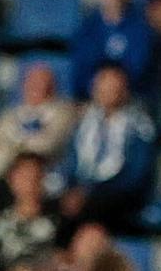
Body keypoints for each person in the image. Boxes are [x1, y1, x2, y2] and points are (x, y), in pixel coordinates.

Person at [62, 62, 155, 227]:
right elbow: (71, 162)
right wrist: (72, 188)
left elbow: (136, 174)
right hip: (82, 190)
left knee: (90, 208)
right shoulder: (83, 122)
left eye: (115, 86)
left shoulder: (140, 125)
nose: (109, 91)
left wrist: (89, 192)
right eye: (104, 84)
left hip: (119, 193)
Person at [68, 0, 155, 100]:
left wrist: (115, 86)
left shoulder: (142, 28)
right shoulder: (86, 29)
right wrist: (101, 88)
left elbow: (140, 68)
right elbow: (81, 70)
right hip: (93, 101)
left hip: (130, 101)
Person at [0, 62, 77, 181]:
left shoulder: (64, 114)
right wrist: (19, 150)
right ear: (24, 85)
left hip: (49, 180)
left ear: (53, 86)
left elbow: (45, 146)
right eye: (33, 82)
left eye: (43, 82)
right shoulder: (8, 116)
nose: (38, 87)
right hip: (9, 178)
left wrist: (10, 147)